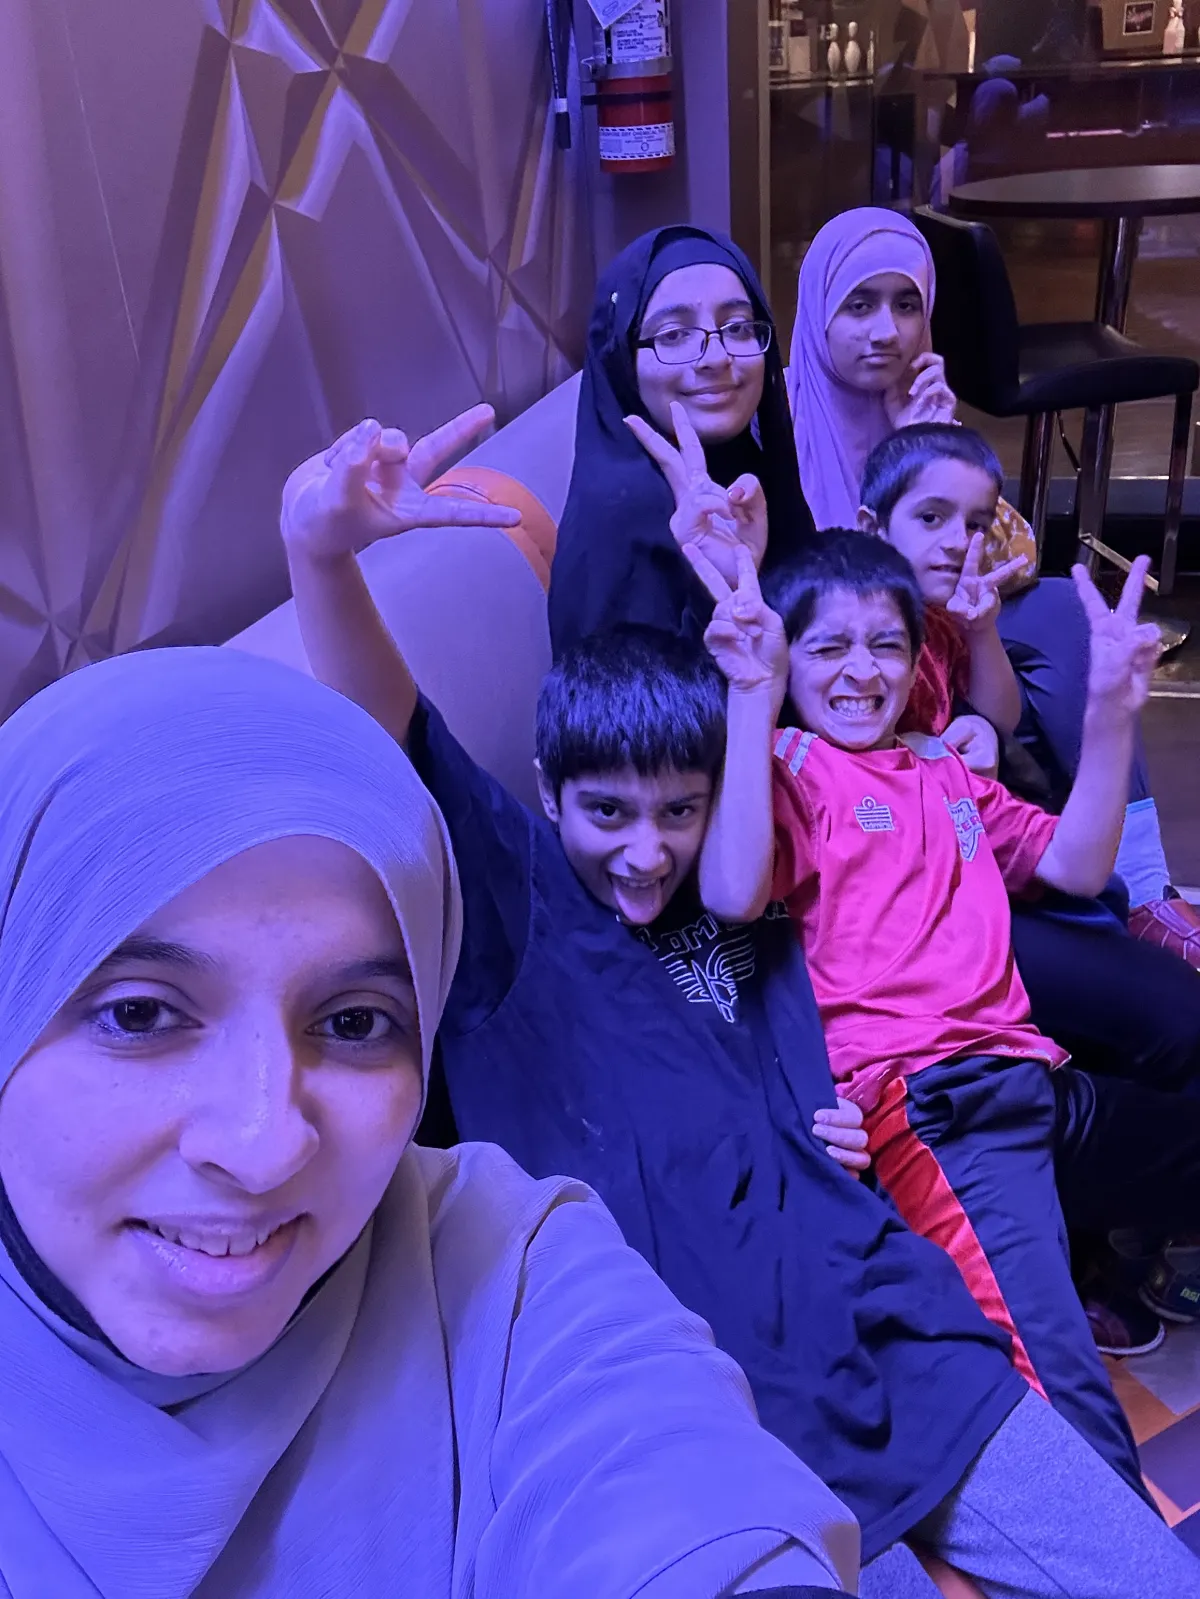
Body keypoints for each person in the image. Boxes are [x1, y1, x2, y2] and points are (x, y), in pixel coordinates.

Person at [283, 408, 1200, 1599]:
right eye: (606, 814)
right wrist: (319, 551)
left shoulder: (757, 889)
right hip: (723, 1413)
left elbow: (863, 851)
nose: (644, 852)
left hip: (896, 1331)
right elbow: (396, 727)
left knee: (1146, 1576)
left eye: (680, 812)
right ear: (549, 797)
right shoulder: (525, 911)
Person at [0, 642, 862, 1599]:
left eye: (354, 1022)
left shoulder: (498, 1264)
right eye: (139, 1014)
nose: (264, 1145)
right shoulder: (533, 907)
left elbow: (672, 1481)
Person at [693, 524, 1200, 1485]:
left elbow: (1073, 863)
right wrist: (752, 694)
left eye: (885, 643)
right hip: (937, 1107)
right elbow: (730, 890)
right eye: (829, 646)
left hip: (1033, 1083)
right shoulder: (792, 768)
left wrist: (1109, 711)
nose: (862, 670)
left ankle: (1119, 1267)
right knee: (1072, 1405)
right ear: (790, 659)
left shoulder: (941, 771)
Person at [789, 205, 1190, 934]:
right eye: (859, 305)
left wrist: (926, 438)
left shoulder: (921, 406)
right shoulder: (783, 422)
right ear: (819, 312)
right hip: (858, 649)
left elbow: (1013, 554)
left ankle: (1144, 882)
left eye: (907, 305)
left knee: (1062, 610)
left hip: (947, 629)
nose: (887, 331)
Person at [547, 224, 816, 659]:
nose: (716, 357)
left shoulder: (745, 464)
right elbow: (630, 701)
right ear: (622, 359)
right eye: (673, 335)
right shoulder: (622, 517)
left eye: (738, 327)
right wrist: (717, 589)